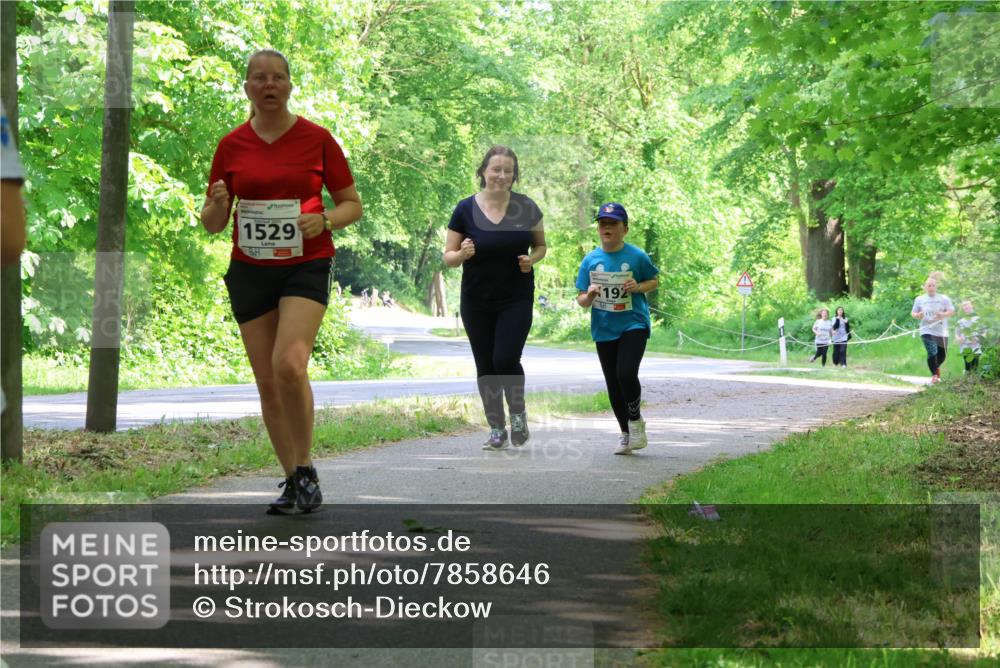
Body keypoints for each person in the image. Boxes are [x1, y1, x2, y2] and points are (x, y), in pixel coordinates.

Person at [201, 49, 363, 514]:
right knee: (268, 381)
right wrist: (216, 200)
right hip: (250, 268)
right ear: (248, 87)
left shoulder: (318, 139)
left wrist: (325, 220)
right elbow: (213, 223)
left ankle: (307, 466)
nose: (269, 85)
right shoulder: (231, 145)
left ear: (290, 85)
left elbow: (352, 203)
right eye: (259, 78)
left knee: (289, 364)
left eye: (277, 78)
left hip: (305, 263)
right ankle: (292, 479)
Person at [443, 145, 546, 450]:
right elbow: (448, 256)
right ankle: (496, 428)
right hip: (476, 299)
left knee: (505, 358)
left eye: (508, 171)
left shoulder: (527, 207)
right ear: (483, 171)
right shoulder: (464, 209)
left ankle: (517, 414)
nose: (502, 175)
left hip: (516, 297)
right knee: (485, 364)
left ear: (514, 176)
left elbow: (540, 246)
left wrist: (533, 260)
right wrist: (460, 254)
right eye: (496, 169)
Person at [576, 202, 659, 455]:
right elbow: (581, 299)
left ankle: (635, 421)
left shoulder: (637, 256)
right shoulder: (590, 260)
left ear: (625, 228)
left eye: (613, 224)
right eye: (603, 224)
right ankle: (626, 433)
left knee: (625, 373)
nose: (607, 228)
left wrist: (638, 287)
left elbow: (653, 281)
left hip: (633, 323)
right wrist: (589, 296)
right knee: (612, 382)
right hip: (603, 327)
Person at [911, 275, 955, 384]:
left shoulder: (944, 298)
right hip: (926, 330)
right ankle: (935, 375)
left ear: (936, 287)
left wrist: (942, 314)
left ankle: (935, 368)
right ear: (925, 287)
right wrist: (918, 315)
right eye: (929, 285)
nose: (931, 287)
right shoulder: (919, 299)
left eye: (933, 285)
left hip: (942, 331)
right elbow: (913, 313)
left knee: (942, 355)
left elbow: (951, 311)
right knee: (932, 351)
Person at [955, 299, 985, 374]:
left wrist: (979, 339)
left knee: (975, 365)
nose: (966, 306)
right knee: (968, 365)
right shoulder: (960, 321)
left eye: (967, 304)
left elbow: (984, 331)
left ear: (972, 305)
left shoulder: (979, 319)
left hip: (976, 345)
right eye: (964, 305)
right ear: (962, 308)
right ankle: (967, 380)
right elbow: (957, 333)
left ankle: (975, 382)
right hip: (965, 345)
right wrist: (959, 339)